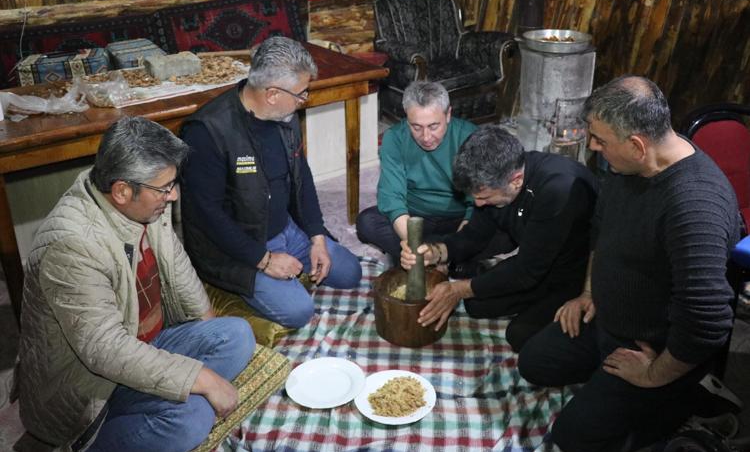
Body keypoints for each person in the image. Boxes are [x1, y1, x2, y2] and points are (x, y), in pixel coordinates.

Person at [517, 76, 742, 452]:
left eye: (600, 140)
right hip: (607, 320)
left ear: (637, 145)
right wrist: (588, 292)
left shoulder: (693, 205)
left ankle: (683, 398)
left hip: (651, 347)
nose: (593, 146)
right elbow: (600, 232)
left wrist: (653, 374)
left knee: (573, 437)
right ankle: (619, 391)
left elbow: (708, 321)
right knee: (533, 362)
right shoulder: (626, 169)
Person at [16, 116, 255, 452]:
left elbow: (177, 265)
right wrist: (199, 378)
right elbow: (105, 349)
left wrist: (205, 326)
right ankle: (89, 445)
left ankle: (162, 405)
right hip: (94, 386)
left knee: (237, 335)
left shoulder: (142, 202)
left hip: (145, 342)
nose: (174, 195)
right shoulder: (72, 245)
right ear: (122, 191)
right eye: (166, 188)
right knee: (192, 418)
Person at [180, 36, 362, 329]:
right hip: (240, 246)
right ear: (273, 94)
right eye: (301, 93)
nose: (305, 99)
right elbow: (208, 217)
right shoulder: (207, 132)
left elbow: (302, 177)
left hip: (285, 228)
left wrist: (316, 236)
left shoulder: (285, 115)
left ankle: (288, 268)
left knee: (350, 272)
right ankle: (237, 290)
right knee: (299, 312)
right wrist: (264, 260)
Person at [401, 125, 598, 352]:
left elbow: (527, 270)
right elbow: (474, 235)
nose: (478, 204)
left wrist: (459, 289)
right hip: (537, 261)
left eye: (484, 197)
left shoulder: (559, 188)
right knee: (475, 305)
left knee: (520, 335)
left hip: (581, 274)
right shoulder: (497, 180)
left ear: (516, 180)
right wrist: (436, 252)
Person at [356, 81, 477, 262]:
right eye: (416, 127)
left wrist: (456, 245)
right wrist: (414, 245)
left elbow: (477, 202)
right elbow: (392, 198)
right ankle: (428, 257)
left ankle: (435, 257)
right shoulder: (394, 138)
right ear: (407, 118)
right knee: (367, 222)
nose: (426, 137)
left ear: (448, 115)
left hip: (458, 217)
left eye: (433, 126)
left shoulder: (471, 137)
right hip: (414, 218)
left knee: (499, 229)